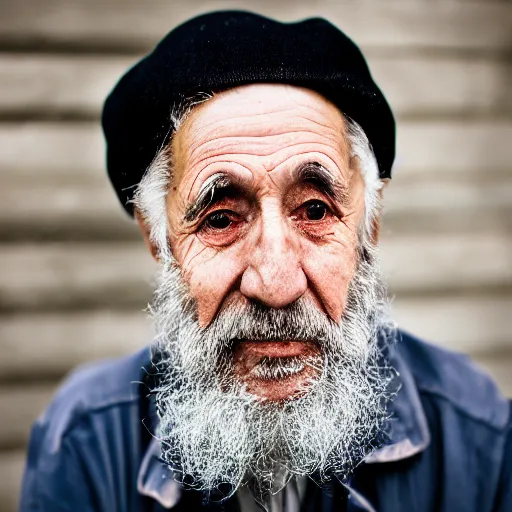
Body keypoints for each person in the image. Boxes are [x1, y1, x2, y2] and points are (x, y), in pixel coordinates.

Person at [20, 10, 511, 512]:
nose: (276, 284)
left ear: (370, 224)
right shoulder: (87, 444)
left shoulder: (476, 436)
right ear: (160, 240)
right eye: (219, 220)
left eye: (315, 211)